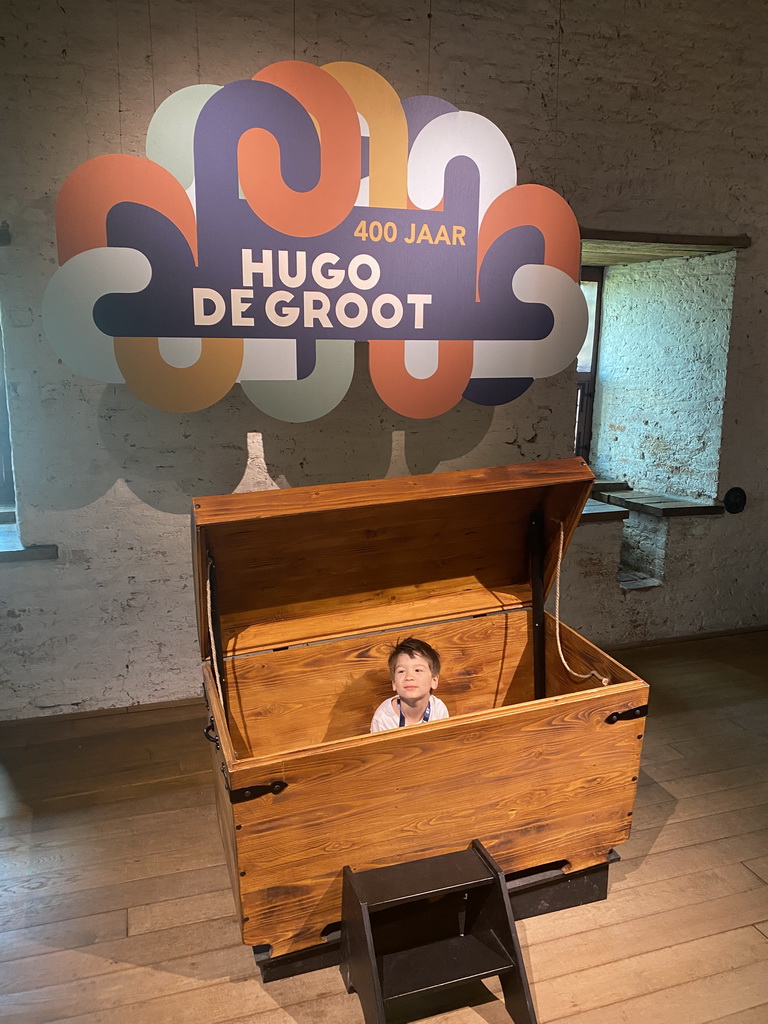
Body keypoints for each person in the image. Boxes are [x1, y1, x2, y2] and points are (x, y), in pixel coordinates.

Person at [370, 637, 449, 732]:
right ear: (394, 683)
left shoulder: (438, 709)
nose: (409, 677)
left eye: (418, 670)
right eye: (401, 671)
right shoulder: (384, 718)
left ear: (434, 680)